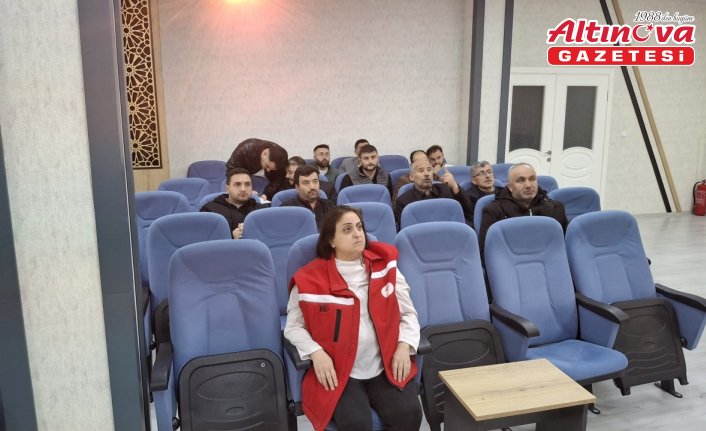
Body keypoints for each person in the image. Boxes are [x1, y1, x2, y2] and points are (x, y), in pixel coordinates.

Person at [284, 206, 422, 431]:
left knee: (409, 415)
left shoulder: (386, 268)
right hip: (340, 370)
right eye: (347, 229)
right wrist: (316, 353)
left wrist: (404, 345)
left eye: (359, 227)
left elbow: (408, 314)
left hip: (383, 364)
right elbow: (293, 328)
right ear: (331, 240)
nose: (358, 234)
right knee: (356, 424)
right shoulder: (308, 279)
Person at [478, 162, 568, 257]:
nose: (528, 185)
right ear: (510, 187)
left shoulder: (556, 208)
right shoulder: (494, 210)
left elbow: (564, 248)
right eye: (521, 180)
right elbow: (486, 252)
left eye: (532, 179)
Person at [394, 156, 473, 228]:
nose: (426, 174)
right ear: (412, 177)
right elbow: (405, 229)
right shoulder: (404, 201)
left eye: (429, 170)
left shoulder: (445, 190)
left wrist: (454, 185)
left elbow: (467, 211)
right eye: (421, 171)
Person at [200, 168, 269, 239]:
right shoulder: (210, 209)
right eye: (237, 184)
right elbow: (204, 237)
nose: (243, 189)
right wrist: (230, 235)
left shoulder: (261, 210)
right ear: (227, 189)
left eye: (247, 184)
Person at [281, 165, 336, 230]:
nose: (312, 187)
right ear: (297, 187)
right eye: (306, 183)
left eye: (315, 181)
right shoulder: (286, 208)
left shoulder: (329, 206)